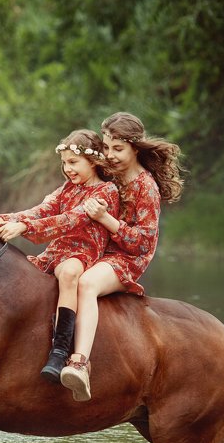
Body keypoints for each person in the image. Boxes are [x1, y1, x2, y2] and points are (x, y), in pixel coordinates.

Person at [57, 112, 184, 401]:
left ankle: (80, 363)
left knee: (87, 284)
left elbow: (142, 243)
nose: (110, 155)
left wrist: (104, 219)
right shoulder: (108, 175)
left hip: (126, 258)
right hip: (96, 248)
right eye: (107, 147)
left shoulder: (145, 186)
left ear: (135, 149)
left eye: (118, 149)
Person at [0, 129, 120, 384]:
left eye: (73, 162)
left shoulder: (105, 191)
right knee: (14, 271)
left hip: (82, 252)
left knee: (69, 272)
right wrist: (4, 219)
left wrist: (26, 228)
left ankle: (60, 349)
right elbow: (41, 210)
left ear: (94, 161)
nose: (68, 169)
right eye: (64, 163)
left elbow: (70, 220)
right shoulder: (66, 188)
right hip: (55, 251)